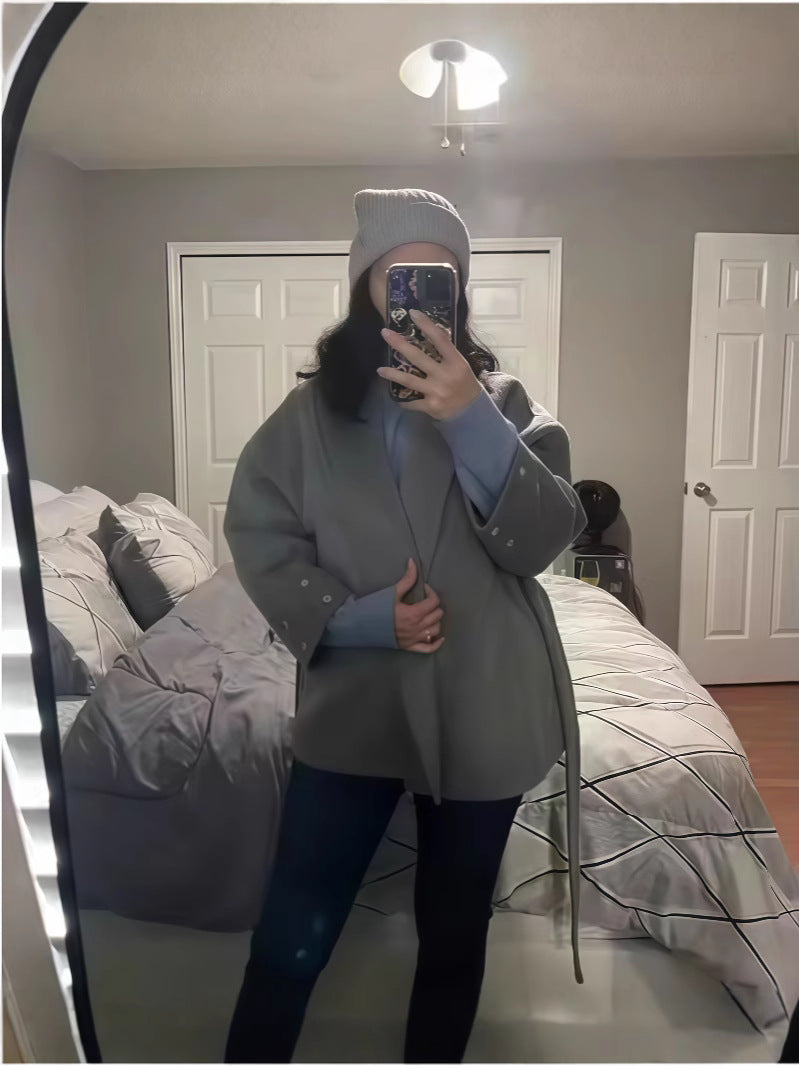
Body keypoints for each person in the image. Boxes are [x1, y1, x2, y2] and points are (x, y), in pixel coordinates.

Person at [222, 188, 588, 1064]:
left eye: (439, 280)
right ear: (364, 290)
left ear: (458, 295)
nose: (419, 297)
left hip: (484, 706)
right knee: (288, 938)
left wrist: (471, 419)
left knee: (453, 936)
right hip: (354, 713)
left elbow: (542, 541)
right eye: (398, 278)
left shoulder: (508, 407)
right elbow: (261, 538)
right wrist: (358, 621)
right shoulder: (306, 420)